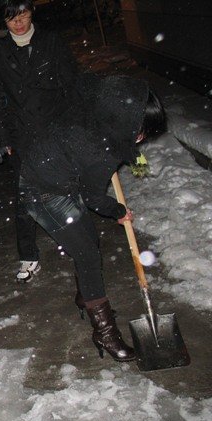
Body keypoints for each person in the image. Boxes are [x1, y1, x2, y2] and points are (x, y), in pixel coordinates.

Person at [18, 73, 167, 362]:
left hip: (56, 175)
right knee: (87, 255)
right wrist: (119, 211)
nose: (142, 138)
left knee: (89, 244)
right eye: (142, 130)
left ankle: (86, 296)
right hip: (42, 191)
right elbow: (94, 198)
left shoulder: (97, 115)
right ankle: (105, 333)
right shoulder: (100, 146)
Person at [0, 0, 79, 283]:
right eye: (12, 17)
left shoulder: (51, 42)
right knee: (25, 196)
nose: (19, 22)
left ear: (31, 13)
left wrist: (75, 125)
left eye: (23, 14)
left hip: (55, 128)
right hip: (21, 135)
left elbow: (72, 84)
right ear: (4, 20)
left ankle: (79, 243)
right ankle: (28, 256)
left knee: (67, 189)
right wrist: (3, 138)